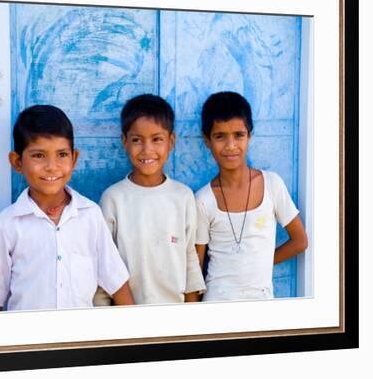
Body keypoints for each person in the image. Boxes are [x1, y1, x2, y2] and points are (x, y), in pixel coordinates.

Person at [0, 105, 134, 311]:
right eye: (39, 155)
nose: (52, 166)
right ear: (17, 162)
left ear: (74, 159)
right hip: (27, 342)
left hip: (81, 341)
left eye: (62, 154)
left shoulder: (90, 215)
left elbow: (116, 280)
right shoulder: (6, 225)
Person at [195, 91, 308, 301]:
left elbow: (300, 241)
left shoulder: (271, 185)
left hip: (262, 308)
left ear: (249, 136)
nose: (231, 146)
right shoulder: (203, 200)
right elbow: (195, 268)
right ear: (207, 140)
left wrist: (259, 262)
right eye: (220, 136)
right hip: (216, 307)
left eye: (239, 135)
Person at [94, 94, 206, 306]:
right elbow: (104, 265)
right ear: (124, 141)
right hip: (127, 321)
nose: (147, 150)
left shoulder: (182, 197)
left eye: (157, 139)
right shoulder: (113, 199)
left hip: (175, 319)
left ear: (171, 141)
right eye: (137, 140)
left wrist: (191, 319)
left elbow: (190, 259)